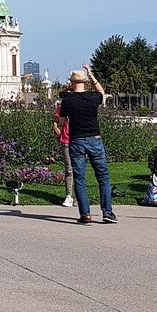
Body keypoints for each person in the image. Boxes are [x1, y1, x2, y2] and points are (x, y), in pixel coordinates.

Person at [56, 66, 115, 225]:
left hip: (77, 141)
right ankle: (107, 212)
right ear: (86, 82)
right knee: (103, 177)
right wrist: (91, 74)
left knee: (79, 178)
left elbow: (61, 122)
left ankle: (85, 215)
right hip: (95, 139)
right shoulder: (93, 97)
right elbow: (101, 91)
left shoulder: (67, 101)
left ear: (71, 83)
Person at [52, 99, 75, 209]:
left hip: (79, 140)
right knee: (69, 169)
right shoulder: (63, 107)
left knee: (79, 169)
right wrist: (56, 127)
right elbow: (55, 120)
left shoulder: (81, 104)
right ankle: (69, 195)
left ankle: (79, 195)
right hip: (66, 140)